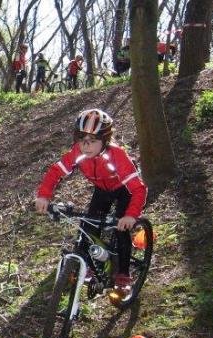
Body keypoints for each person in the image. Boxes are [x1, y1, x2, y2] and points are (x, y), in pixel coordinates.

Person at [35, 109, 148, 293]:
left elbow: (138, 188)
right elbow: (56, 171)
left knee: (120, 229)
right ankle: (88, 266)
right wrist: (44, 195)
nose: (86, 146)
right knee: (88, 227)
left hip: (124, 190)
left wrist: (131, 215)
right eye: (82, 140)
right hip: (102, 189)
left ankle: (124, 274)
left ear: (105, 140)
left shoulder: (117, 155)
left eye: (92, 141)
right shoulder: (77, 152)